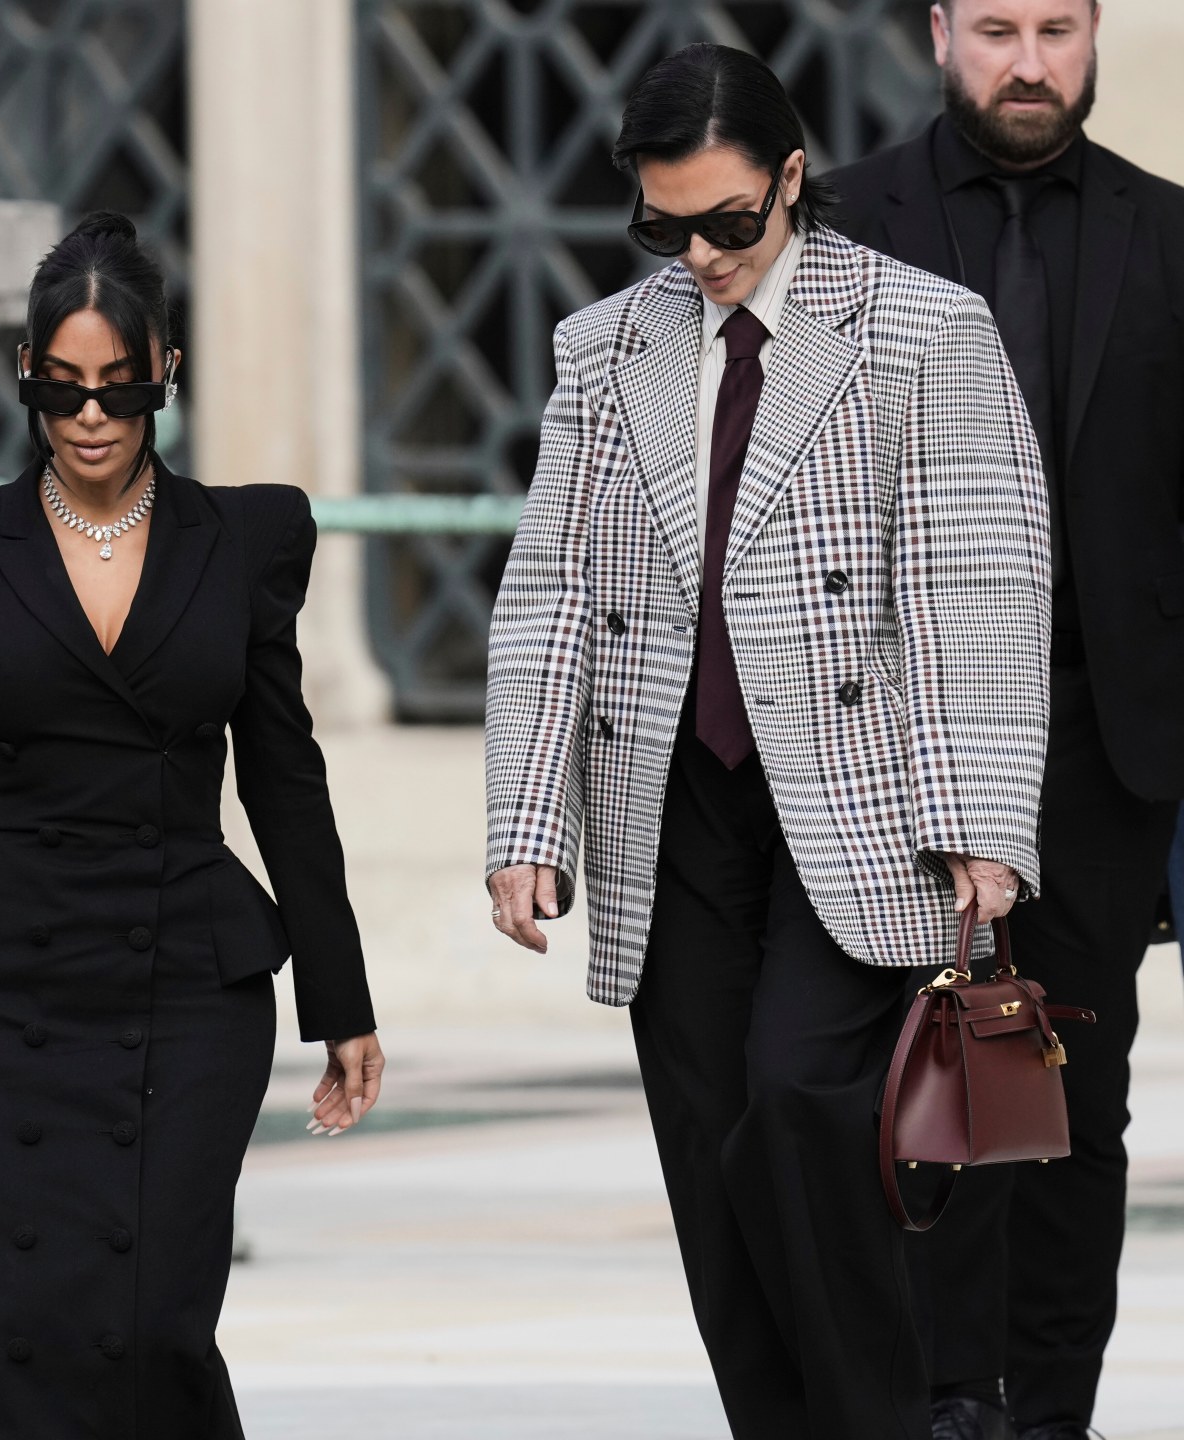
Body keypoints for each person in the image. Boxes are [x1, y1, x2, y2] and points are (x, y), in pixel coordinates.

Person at [483, 42, 1053, 1440]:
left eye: (731, 222)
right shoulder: (602, 348)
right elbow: (552, 586)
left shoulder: (925, 329)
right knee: (708, 1141)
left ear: (792, 179)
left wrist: (986, 820)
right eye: (665, 227)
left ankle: (876, 1417)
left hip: (862, 798)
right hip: (672, 798)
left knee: (802, 1096)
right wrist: (523, 823)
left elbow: (984, 580)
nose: (702, 255)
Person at [0, 212, 385, 1439]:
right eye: (62, 392)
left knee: (158, 1326)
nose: (92, 420)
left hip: (187, 980)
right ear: (24, 376)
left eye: (119, 390)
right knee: (13, 1336)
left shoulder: (246, 540)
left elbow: (285, 774)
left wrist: (342, 998)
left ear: (166, 371)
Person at [826, 4, 1184, 1436]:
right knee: (920, 1103)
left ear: (1093, 35)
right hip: (898, 755)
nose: (1027, 62)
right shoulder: (843, 225)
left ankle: (1049, 1416)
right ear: (937, 32)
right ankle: (943, 1400)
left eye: (1056, 29)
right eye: (994, 30)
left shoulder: (1171, 236)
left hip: (1107, 757)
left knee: (1073, 1112)